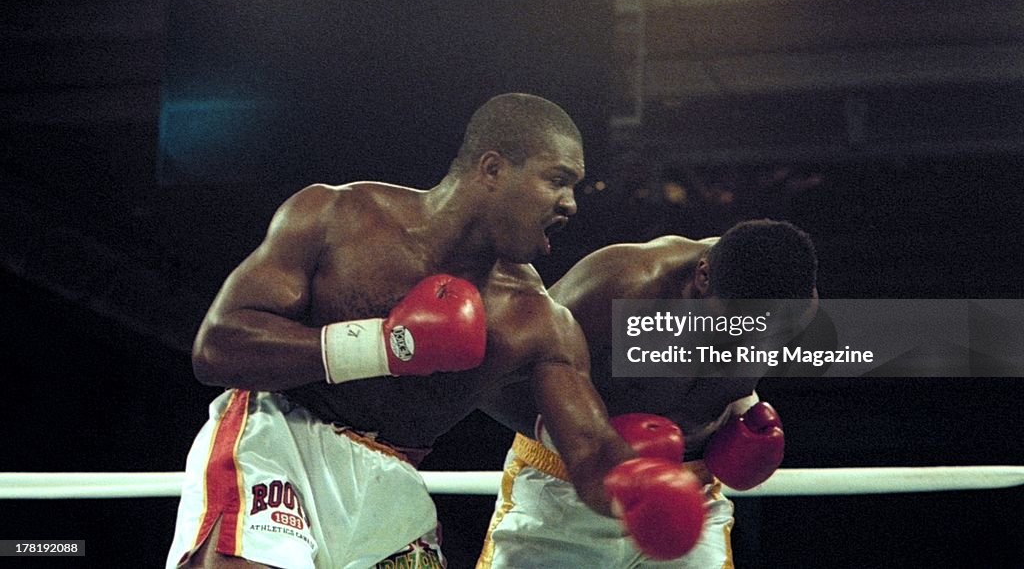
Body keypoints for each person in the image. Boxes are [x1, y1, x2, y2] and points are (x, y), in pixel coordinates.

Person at [165, 93, 705, 569]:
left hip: (394, 483)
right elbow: (217, 347)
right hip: (278, 440)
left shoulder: (538, 321)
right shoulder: (340, 216)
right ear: (492, 170)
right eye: (557, 180)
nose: (570, 203)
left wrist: (638, 492)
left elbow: (588, 451)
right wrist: (385, 345)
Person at [477, 219, 829, 568]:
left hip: (690, 503)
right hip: (563, 494)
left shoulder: (793, 307)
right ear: (702, 278)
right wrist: (595, 445)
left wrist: (742, 415)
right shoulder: (624, 285)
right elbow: (492, 383)